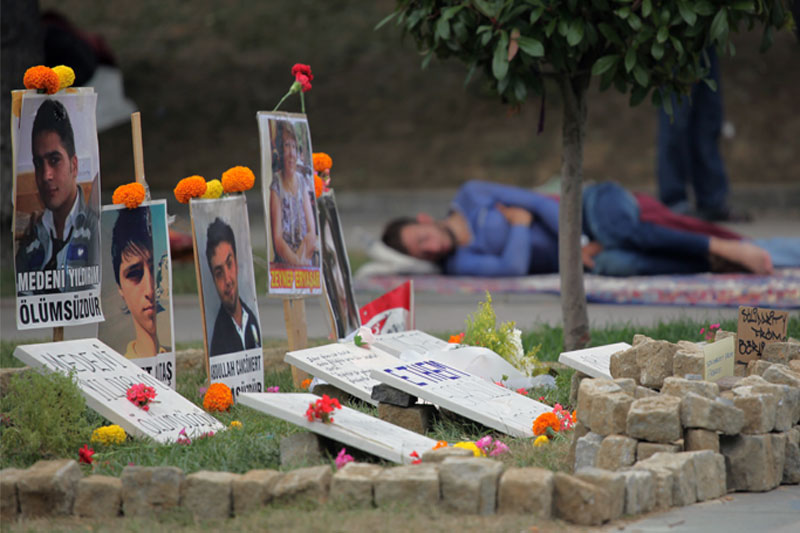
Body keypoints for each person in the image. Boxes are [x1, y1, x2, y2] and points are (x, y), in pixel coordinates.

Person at [382, 180, 776, 278]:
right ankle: (710, 263)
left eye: (422, 240)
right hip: (583, 257)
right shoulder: (460, 264)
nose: (429, 248)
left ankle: (727, 249)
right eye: (421, 253)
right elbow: (513, 269)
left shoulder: (471, 194)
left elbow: (537, 202)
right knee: (618, 264)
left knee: (618, 232)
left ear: (423, 220)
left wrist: (580, 241)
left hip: (588, 207)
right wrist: (517, 227)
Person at [15, 98, 97, 288]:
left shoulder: (95, 230)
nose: (46, 175)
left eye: (54, 160)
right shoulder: (33, 237)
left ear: (74, 166)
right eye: (38, 164)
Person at [657, 48, 744, 222]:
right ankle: (674, 200)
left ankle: (712, 200)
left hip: (706, 37)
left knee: (709, 118)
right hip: (678, 35)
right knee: (676, 117)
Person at [111, 207, 167, 358]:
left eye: (154, 269)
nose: (150, 290)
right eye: (134, 274)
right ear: (120, 288)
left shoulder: (169, 355)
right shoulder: (122, 368)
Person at [205, 217, 261, 357]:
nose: (227, 279)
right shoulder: (218, 341)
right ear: (213, 279)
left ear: (236, 263)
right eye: (219, 273)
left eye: (229, 264)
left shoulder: (251, 319)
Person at [269, 120, 318, 266]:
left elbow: (311, 231)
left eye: (294, 147)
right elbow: (277, 240)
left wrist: (301, 259)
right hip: (286, 261)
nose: (291, 153)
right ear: (279, 151)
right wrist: (295, 261)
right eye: (286, 146)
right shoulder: (276, 186)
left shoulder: (302, 182)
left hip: (304, 255)